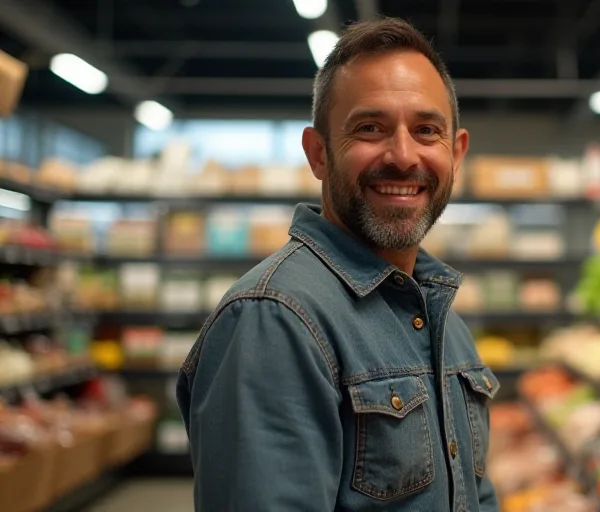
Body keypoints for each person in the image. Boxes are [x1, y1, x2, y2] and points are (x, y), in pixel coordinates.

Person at [176, 17, 500, 512]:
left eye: (426, 130)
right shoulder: (275, 320)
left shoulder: (440, 315)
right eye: (370, 128)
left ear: (456, 154)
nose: (402, 155)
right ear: (319, 154)